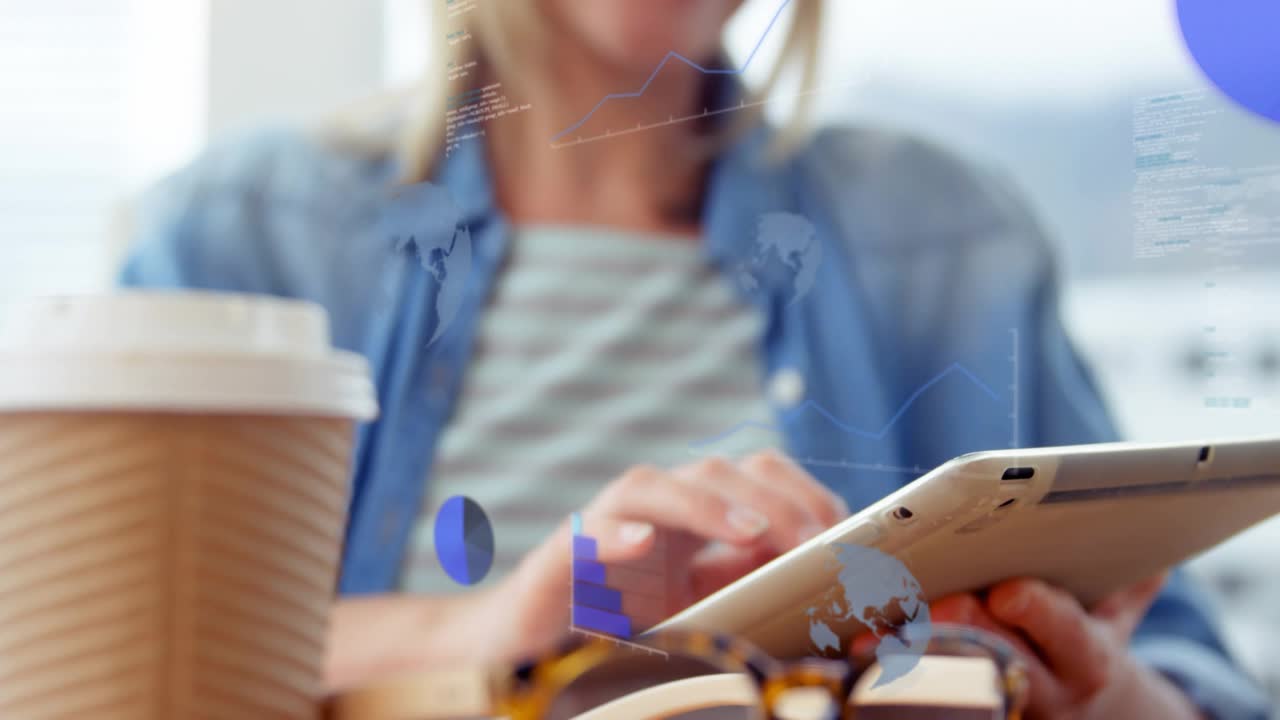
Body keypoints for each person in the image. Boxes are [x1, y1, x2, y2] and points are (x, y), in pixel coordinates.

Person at [119, 1, 1271, 717]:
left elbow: (1186, 682)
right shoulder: (244, 232)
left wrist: (1098, 695)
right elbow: (98, 656)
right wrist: (479, 637)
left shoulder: (944, 234)